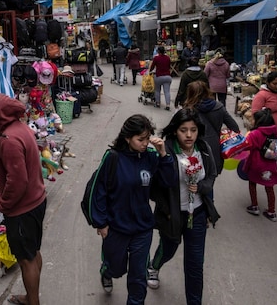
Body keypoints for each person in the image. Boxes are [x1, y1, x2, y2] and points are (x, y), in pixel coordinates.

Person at [89, 114, 176, 304]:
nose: (145, 143)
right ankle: (107, 271)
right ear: (128, 138)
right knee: (116, 268)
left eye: (147, 139)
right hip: (116, 227)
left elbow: (169, 181)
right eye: (140, 139)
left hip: (142, 229)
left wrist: (163, 153)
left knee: (138, 278)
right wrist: (100, 222)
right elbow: (99, 190)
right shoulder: (112, 158)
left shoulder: (151, 158)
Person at [0, 92, 47, 305]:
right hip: (36, 200)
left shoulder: (9, 140)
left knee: (26, 260)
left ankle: (33, 301)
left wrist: (3, 204)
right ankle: (31, 296)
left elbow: (18, 182)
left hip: (23, 209)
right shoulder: (21, 128)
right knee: (32, 254)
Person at [147, 108, 220, 305]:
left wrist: (202, 187)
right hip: (172, 215)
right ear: (174, 131)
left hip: (196, 214)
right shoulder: (166, 149)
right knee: (169, 248)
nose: (189, 135)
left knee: (195, 265)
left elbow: (212, 175)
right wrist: (162, 156)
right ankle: (154, 266)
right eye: (183, 130)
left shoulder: (203, 149)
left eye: (193, 130)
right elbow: (155, 187)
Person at [183, 81, 240, 176]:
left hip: (193, 147)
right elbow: (235, 128)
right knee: (210, 180)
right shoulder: (219, 107)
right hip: (214, 148)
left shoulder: (188, 111)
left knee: (193, 181)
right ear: (207, 91)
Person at [243, 108, 277, 221]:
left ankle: (254, 206)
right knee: (269, 187)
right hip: (270, 166)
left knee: (252, 183)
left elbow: (246, 146)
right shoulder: (276, 133)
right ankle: (272, 211)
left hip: (256, 164)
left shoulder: (254, 134)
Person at [149, 45, 172, 110]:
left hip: (159, 76)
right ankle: (168, 105)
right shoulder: (167, 58)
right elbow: (169, 66)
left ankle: (158, 103)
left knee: (157, 90)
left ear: (158, 51)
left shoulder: (156, 58)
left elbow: (152, 66)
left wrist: (150, 71)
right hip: (167, 76)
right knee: (167, 91)